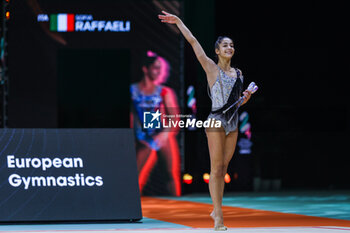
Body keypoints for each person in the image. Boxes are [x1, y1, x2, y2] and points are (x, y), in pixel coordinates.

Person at [158, 11, 252, 230]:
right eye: (225, 45)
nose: (230, 48)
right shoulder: (211, 67)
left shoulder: (238, 74)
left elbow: (235, 103)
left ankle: (215, 210)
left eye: (232, 45)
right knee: (216, 169)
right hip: (215, 121)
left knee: (224, 169)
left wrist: (244, 99)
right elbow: (193, 42)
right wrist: (179, 21)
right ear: (217, 51)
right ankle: (218, 216)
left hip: (233, 122)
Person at [130, 52, 181, 196]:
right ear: (145, 69)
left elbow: (174, 117)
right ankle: (132, 206)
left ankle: (178, 203)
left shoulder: (163, 91)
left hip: (161, 135)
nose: (158, 72)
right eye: (155, 68)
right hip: (143, 136)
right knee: (135, 176)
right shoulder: (133, 90)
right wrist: (137, 136)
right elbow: (132, 115)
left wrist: (164, 135)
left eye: (160, 69)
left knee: (170, 174)